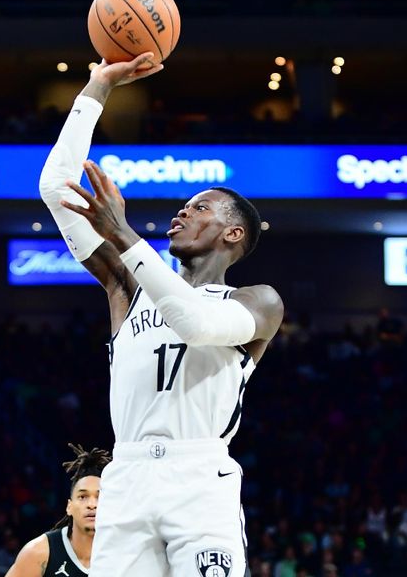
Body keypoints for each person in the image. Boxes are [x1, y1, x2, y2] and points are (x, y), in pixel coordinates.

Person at [38, 52, 284, 576]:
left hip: (199, 480)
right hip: (125, 476)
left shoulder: (258, 302)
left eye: (199, 208)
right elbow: (56, 190)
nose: (182, 212)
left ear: (233, 233)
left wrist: (123, 233)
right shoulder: (127, 284)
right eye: (184, 205)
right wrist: (97, 88)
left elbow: (194, 322)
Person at [7, 444, 110, 577]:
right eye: (83, 497)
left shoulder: (122, 554)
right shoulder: (39, 553)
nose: (91, 504)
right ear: (69, 507)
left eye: (99, 497)